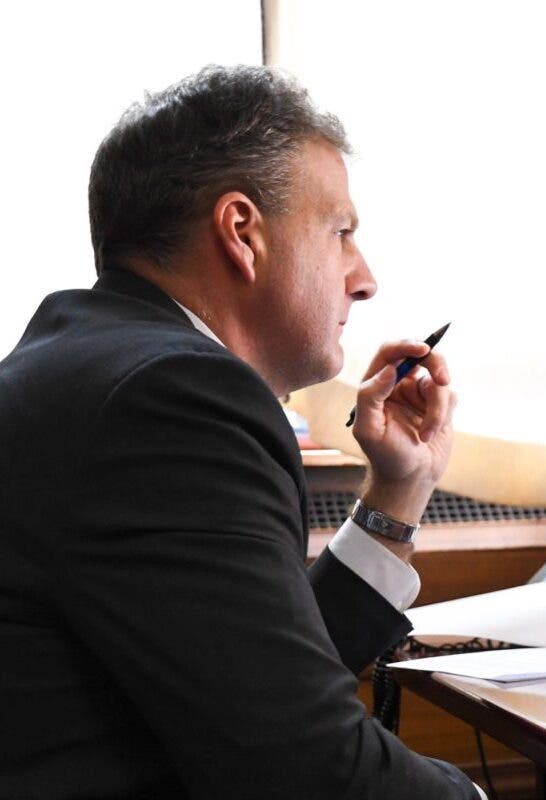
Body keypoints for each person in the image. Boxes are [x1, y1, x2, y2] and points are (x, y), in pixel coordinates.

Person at [0, 65, 484, 799]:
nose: (365, 278)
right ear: (241, 231)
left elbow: (248, 673)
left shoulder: (89, 363)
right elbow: (302, 769)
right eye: (341, 232)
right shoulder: (173, 398)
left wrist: (400, 487)